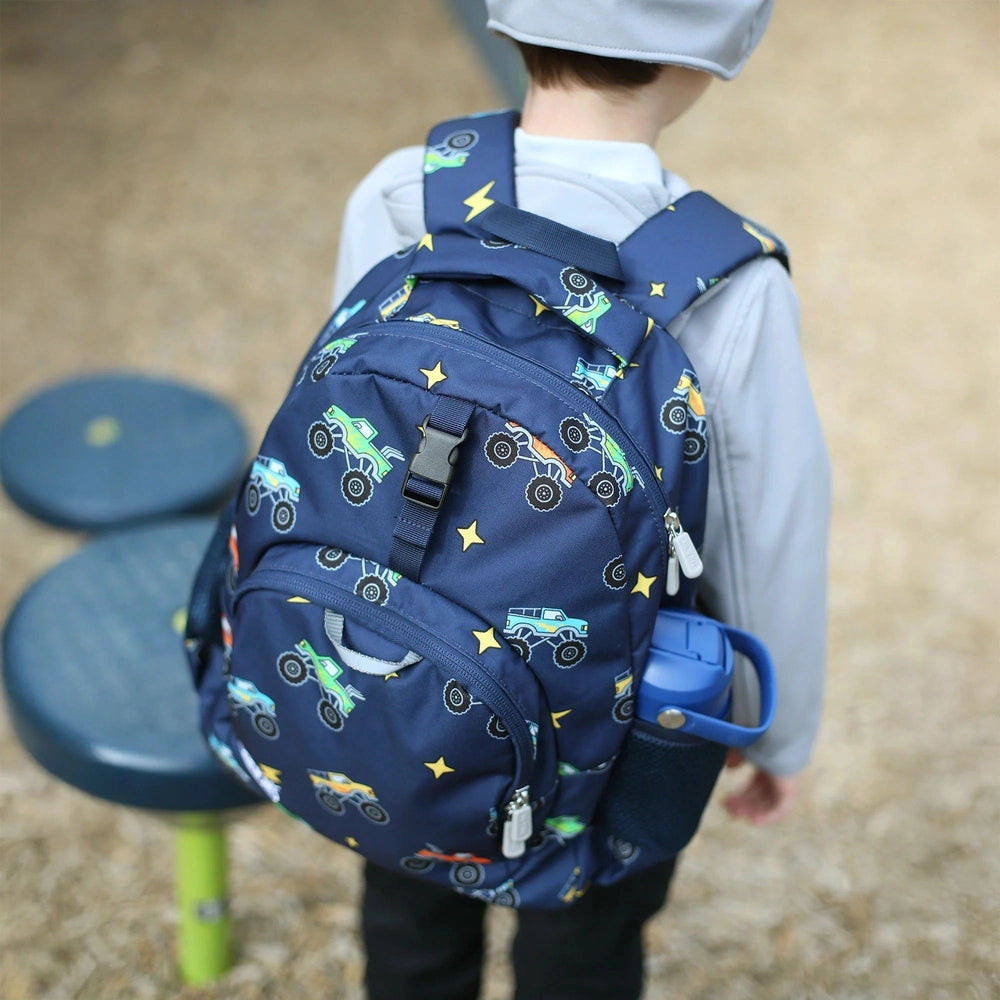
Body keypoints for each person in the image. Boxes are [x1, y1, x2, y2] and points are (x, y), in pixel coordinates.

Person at [330, 2, 830, 997]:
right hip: (610, 720)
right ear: (710, 55)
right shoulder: (724, 283)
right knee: (587, 945)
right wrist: (774, 731)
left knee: (408, 908)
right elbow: (766, 529)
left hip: (394, 669)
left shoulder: (402, 194)